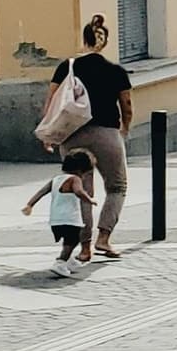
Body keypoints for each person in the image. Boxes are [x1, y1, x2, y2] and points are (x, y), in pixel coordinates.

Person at [48, 15, 133, 258]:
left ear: (83, 39)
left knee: (81, 191)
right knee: (117, 186)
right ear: (103, 42)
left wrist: (49, 134)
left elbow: (52, 102)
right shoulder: (115, 71)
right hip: (106, 134)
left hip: (71, 136)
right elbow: (126, 105)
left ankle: (84, 248)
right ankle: (104, 238)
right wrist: (124, 128)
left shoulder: (67, 67)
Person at [21, 148, 96, 276]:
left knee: (68, 240)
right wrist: (89, 199)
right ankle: (61, 262)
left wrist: (30, 205)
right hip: (70, 218)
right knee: (73, 240)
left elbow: (41, 192)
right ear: (81, 170)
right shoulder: (75, 179)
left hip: (55, 219)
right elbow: (79, 192)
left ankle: (69, 260)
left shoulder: (56, 179)